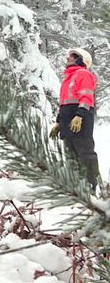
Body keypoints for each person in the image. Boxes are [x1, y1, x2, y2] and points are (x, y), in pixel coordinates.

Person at [49, 48, 99, 190]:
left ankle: (92, 186)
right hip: (68, 122)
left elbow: (86, 97)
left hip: (80, 121)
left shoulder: (83, 74)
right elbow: (64, 103)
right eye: (69, 55)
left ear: (81, 59)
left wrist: (80, 115)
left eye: (73, 55)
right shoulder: (68, 79)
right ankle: (76, 187)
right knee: (70, 155)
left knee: (85, 154)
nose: (69, 58)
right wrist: (59, 122)